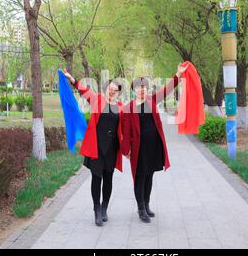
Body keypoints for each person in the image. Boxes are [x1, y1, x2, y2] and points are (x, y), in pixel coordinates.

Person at [122, 64, 187, 223]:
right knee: (140, 178)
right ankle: (140, 209)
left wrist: (177, 74)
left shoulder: (152, 100)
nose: (141, 90)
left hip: (153, 146)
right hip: (138, 149)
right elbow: (126, 132)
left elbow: (167, 90)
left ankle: (147, 204)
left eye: (144, 87)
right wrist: (126, 151)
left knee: (149, 176)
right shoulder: (128, 108)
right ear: (134, 90)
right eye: (138, 87)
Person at [62, 68, 123, 226]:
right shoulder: (97, 100)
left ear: (118, 92)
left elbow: (127, 128)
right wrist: (72, 79)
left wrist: (128, 148)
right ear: (106, 89)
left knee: (108, 179)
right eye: (110, 89)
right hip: (97, 147)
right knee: (97, 178)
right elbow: (84, 90)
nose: (112, 92)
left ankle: (104, 208)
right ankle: (96, 209)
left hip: (111, 148)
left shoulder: (122, 108)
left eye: (115, 90)